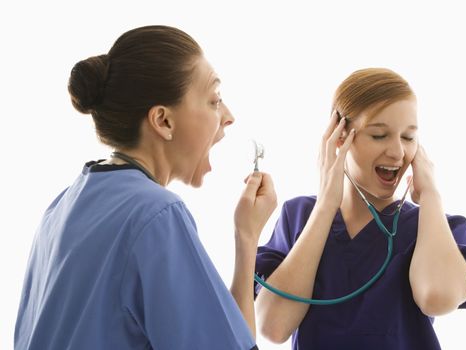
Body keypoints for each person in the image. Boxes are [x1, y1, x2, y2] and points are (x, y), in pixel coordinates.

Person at [14, 25, 277, 350]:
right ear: (163, 121)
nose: (228, 116)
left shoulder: (60, 208)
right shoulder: (154, 214)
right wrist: (247, 238)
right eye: (214, 100)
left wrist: (245, 236)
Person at [254, 68, 466, 349]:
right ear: (340, 137)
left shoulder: (435, 227)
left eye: (408, 137)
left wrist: (430, 194)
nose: (397, 152)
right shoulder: (299, 216)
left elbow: (437, 298)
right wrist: (325, 207)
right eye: (380, 135)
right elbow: (272, 327)